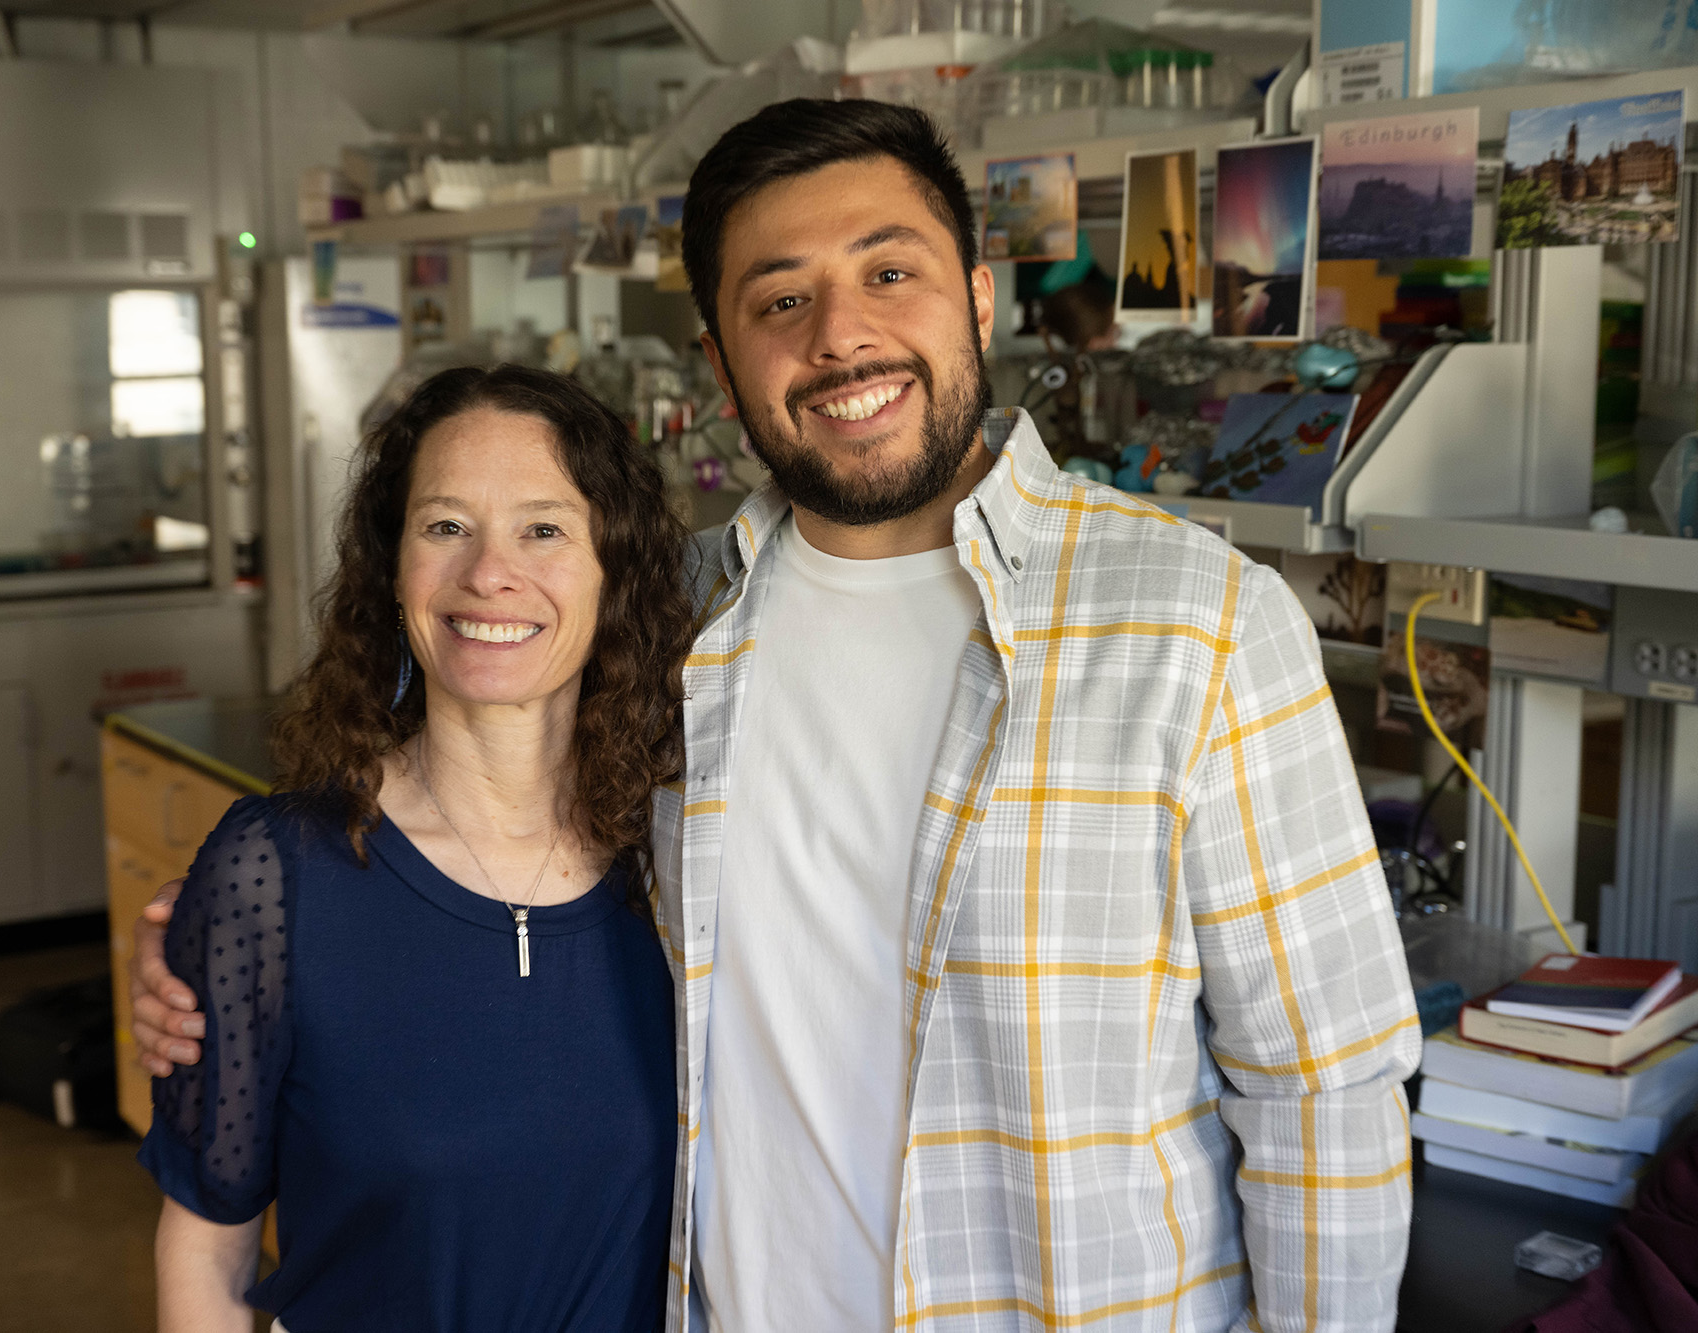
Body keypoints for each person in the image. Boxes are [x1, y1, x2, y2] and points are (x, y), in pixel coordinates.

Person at [137, 100, 1419, 1332]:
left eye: (888, 273)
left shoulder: (1196, 624)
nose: (840, 337)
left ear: (978, 295)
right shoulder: (671, 621)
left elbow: (1323, 1093)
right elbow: (471, 841)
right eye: (779, 299)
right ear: (720, 358)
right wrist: (233, 960)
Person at [140, 364, 693, 1331]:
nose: (489, 573)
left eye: (544, 528)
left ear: (618, 568)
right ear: (391, 569)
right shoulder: (276, 878)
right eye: (446, 526)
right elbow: (207, 1247)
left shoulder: (685, 864)